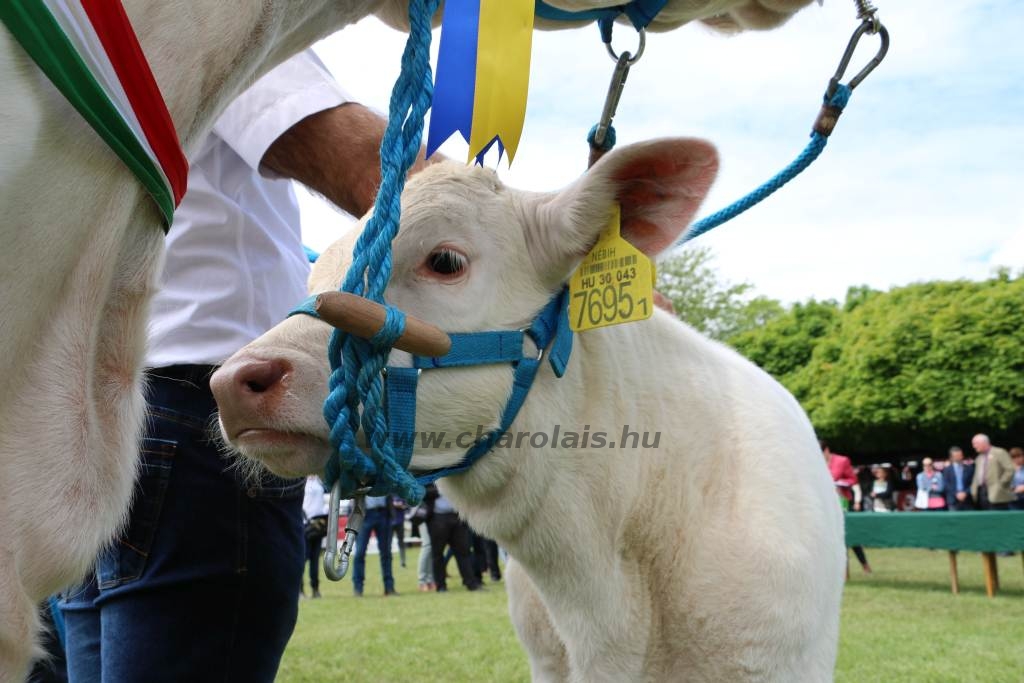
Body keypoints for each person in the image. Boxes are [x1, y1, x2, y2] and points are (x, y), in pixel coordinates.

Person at [60, 52, 413, 682]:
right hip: (205, 416)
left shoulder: (58, 38)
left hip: (83, 427)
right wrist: (547, 235)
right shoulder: (203, 19)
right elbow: (371, 168)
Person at [821, 440, 871, 573]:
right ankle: (839, 569)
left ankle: (863, 564)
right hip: (824, 502)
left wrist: (841, 483)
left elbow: (853, 479)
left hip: (841, 500)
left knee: (848, 534)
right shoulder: (815, 463)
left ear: (827, 450)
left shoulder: (842, 461)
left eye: (821, 453)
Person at [424, 484, 481, 592]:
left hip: (457, 517)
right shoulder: (430, 474)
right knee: (437, 554)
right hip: (437, 518)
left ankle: (471, 583)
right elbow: (423, 492)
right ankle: (441, 586)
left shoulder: (453, 473)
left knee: (464, 552)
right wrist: (442, 489)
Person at [351, 496, 397, 597]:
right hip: (364, 514)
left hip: (384, 513)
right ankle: (358, 588)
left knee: (386, 553)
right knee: (360, 553)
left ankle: (389, 587)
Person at [970, 433, 1015, 510]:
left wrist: (1001, 484)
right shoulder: (978, 458)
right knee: (985, 518)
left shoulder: (999, 452)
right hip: (981, 493)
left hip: (998, 494)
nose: (974, 446)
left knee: (998, 518)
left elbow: (1010, 469)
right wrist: (973, 489)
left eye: (975, 443)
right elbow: (976, 476)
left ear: (984, 442)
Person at [301, 476, 329, 599]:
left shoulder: (319, 481)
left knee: (315, 559)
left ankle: (315, 588)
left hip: (318, 524)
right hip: (306, 524)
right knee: (303, 559)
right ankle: (300, 590)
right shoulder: (303, 481)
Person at [943, 446, 975, 511]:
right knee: (954, 520)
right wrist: (956, 493)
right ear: (952, 457)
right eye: (957, 456)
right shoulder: (947, 470)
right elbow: (946, 484)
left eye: (960, 455)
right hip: (953, 500)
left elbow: (973, 483)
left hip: (967, 499)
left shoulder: (969, 469)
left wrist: (965, 493)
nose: (960, 457)